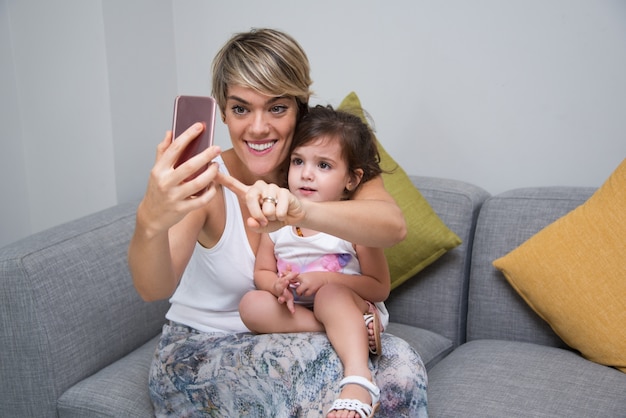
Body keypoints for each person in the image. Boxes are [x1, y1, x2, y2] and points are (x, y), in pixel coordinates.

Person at [128, 28, 427, 417]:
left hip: (290, 334)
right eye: (240, 109)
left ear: (300, 107)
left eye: (276, 108)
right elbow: (154, 287)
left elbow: (392, 226)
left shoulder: (328, 161)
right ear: (222, 111)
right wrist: (150, 218)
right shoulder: (207, 181)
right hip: (202, 349)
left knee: (399, 367)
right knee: (364, 372)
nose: (257, 128)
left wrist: (300, 211)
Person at [240, 104, 391, 418]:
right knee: (250, 305)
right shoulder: (277, 223)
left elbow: (379, 287)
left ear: (351, 179)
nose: (306, 173)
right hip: (296, 309)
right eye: (298, 161)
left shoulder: (354, 226)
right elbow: (262, 272)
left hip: (347, 303)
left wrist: (326, 280)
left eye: (323, 165)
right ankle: (346, 331)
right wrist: (277, 285)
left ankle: (358, 378)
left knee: (329, 295)